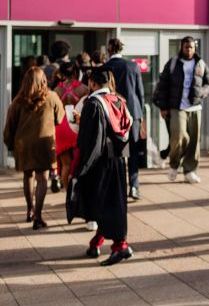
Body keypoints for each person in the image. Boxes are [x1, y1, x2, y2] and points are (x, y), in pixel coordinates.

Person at [67, 67, 134, 266]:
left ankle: (121, 247)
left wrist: (81, 167)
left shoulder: (94, 104)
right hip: (118, 161)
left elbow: (91, 140)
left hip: (99, 162)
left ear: (93, 83)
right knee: (111, 203)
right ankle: (97, 241)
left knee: (103, 204)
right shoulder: (119, 101)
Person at [4, 67, 64, 229]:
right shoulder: (51, 97)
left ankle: (29, 209)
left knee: (27, 176)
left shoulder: (18, 101)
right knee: (42, 179)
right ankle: (38, 215)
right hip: (44, 144)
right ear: (43, 80)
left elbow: (10, 125)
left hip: (23, 145)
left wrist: (9, 143)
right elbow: (60, 118)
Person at [153, 37, 209, 184]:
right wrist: (163, 107)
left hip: (195, 106)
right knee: (178, 136)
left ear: (195, 48)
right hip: (177, 106)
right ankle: (174, 165)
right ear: (181, 47)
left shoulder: (201, 63)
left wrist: (202, 92)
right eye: (186, 47)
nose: (189, 50)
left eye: (191, 47)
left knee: (194, 141)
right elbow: (163, 85)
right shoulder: (173, 63)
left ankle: (190, 171)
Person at [103, 38, 146, 200]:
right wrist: (140, 115)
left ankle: (118, 188)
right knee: (133, 151)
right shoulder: (133, 66)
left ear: (109, 49)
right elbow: (140, 92)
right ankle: (134, 187)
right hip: (133, 112)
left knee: (115, 152)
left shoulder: (105, 68)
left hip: (112, 113)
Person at [53, 62, 89, 189]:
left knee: (66, 164)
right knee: (79, 163)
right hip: (76, 125)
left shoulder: (57, 90)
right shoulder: (84, 88)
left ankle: (68, 194)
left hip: (61, 126)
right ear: (75, 72)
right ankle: (79, 191)